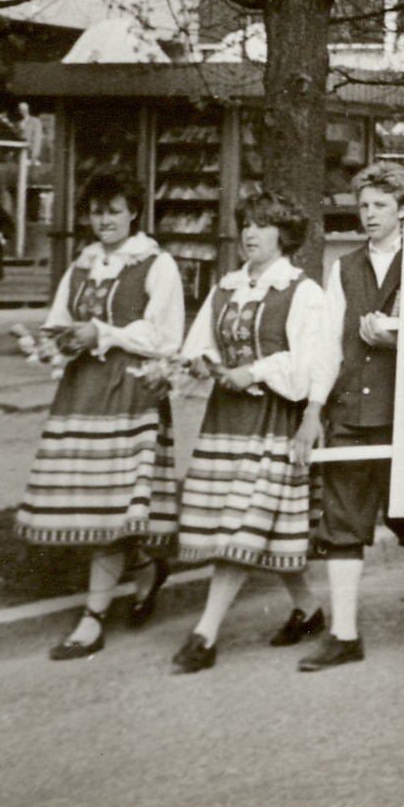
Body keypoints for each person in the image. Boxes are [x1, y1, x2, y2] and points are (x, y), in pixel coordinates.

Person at [16, 169, 186, 660]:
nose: (104, 220)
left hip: (131, 390)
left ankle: (93, 617)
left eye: (114, 210)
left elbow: (164, 338)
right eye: (96, 211)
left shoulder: (157, 264)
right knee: (99, 501)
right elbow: (60, 326)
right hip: (83, 393)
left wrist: (104, 334)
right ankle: (148, 569)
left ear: (134, 211)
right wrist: (46, 343)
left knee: (114, 504)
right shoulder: (81, 266)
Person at [299, 162, 404, 673]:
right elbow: (327, 344)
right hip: (351, 409)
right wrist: (313, 409)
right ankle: (344, 634)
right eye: (363, 206)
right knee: (341, 521)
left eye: (380, 207)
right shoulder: (343, 268)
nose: (369, 215)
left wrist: (399, 339)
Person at [171, 192, 332, 673]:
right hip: (224, 423)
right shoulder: (225, 288)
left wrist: (254, 371)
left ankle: (204, 635)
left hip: (272, 422)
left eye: (262, 224)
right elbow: (197, 346)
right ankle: (307, 609)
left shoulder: (302, 291)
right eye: (246, 223)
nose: (250, 233)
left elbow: (307, 365)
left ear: (284, 234)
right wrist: (204, 366)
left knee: (241, 526)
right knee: (256, 527)